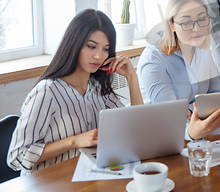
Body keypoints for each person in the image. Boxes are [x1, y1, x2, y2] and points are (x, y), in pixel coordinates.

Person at [7, 9, 144, 174]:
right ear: (74, 44)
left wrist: (131, 77)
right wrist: (74, 141)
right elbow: (17, 157)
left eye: (105, 49)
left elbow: (137, 128)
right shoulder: (47, 92)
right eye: (91, 47)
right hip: (50, 183)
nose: (98, 56)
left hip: (88, 178)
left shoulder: (99, 88)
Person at [137, 0, 220, 140]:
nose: (197, 28)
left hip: (196, 131)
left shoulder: (202, 49)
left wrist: (190, 111)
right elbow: (170, 115)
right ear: (172, 25)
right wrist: (195, 111)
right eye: (186, 22)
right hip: (157, 136)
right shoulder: (153, 57)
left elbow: (215, 95)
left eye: (202, 19)